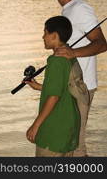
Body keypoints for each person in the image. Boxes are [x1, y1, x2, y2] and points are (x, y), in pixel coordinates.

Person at [46, 0, 107, 156]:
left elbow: (101, 43)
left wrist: (73, 53)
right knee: (69, 145)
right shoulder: (68, 10)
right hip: (69, 86)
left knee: (76, 147)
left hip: (80, 88)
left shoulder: (80, 9)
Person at [25, 16, 81, 157]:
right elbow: (62, 88)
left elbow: (54, 96)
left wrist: (35, 125)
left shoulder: (56, 61)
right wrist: (38, 87)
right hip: (69, 125)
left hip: (55, 128)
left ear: (54, 35)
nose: (43, 36)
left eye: (45, 32)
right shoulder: (70, 56)